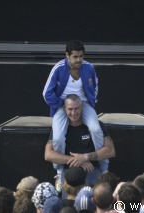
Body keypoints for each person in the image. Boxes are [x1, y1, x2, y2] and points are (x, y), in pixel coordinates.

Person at [42, 40, 107, 185]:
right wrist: (61, 104)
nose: (79, 60)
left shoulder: (89, 68)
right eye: (75, 57)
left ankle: (104, 167)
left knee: (96, 129)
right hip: (63, 104)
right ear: (67, 55)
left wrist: (91, 101)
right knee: (57, 138)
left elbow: (95, 86)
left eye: (81, 56)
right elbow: (46, 93)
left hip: (82, 103)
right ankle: (59, 171)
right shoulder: (59, 68)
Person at [44, 94, 116, 189]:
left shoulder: (97, 125)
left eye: (76, 108)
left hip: (92, 171)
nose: (73, 113)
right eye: (70, 109)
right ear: (64, 109)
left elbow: (111, 151)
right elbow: (48, 155)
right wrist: (79, 160)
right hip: (69, 174)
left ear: (82, 107)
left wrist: (86, 157)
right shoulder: (60, 129)